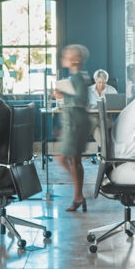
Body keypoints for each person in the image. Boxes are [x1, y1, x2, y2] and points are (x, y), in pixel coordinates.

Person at [55, 44, 92, 212]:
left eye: (66, 55)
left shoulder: (78, 78)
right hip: (74, 122)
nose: (63, 57)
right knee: (74, 160)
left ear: (75, 60)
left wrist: (63, 94)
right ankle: (78, 196)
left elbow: (81, 99)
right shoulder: (77, 77)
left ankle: (81, 194)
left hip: (76, 123)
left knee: (64, 158)